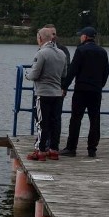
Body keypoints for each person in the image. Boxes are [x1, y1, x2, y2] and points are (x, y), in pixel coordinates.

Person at [60, 27, 109, 157]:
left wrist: (64, 86)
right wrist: (100, 85)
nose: (80, 37)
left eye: (81, 35)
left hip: (81, 90)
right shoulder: (102, 52)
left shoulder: (81, 50)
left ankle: (71, 148)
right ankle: (92, 149)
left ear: (85, 37)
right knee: (94, 119)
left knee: (76, 119)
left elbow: (72, 70)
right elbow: (106, 72)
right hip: (96, 91)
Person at [24, 26, 68, 161]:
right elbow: (64, 74)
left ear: (41, 38)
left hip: (43, 93)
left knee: (42, 123)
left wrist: (27, 75)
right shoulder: (62, 54)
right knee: (55, 122)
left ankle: (41, 150)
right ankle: (54, 150)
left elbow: (35, 74)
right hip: (56, 93)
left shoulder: (41, 53)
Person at [45, 23, 70, 154]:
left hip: (57, 89)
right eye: (50, 34)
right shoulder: (41, 49)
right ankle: (44, 141)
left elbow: (67, 70)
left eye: (54, 33)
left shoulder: (63, 50)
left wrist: (64, 87)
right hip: (43, 90)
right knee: (43, 117)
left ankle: (54, 144)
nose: (53, 36)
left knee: (55, 117)